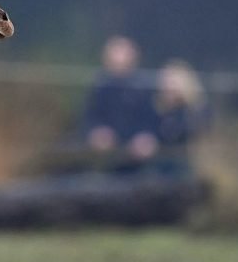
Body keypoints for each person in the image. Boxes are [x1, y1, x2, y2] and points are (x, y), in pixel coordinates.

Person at [80, 36, 161, 174]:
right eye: (115, 58)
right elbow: (88, 119)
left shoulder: (145, 89)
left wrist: (148, 137)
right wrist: (96, 133)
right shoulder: (99, 88)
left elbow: (153, 121)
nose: (120, 62)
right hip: (105, 164)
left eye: (124, 56)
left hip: (141, 165)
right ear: (107, 60)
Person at [150, 59, 207, 177]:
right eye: (165, 82)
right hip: (158, 170)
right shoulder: (156, 111)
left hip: (187, 170)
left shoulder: (197, 111)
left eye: (172, 82)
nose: (168, 87)